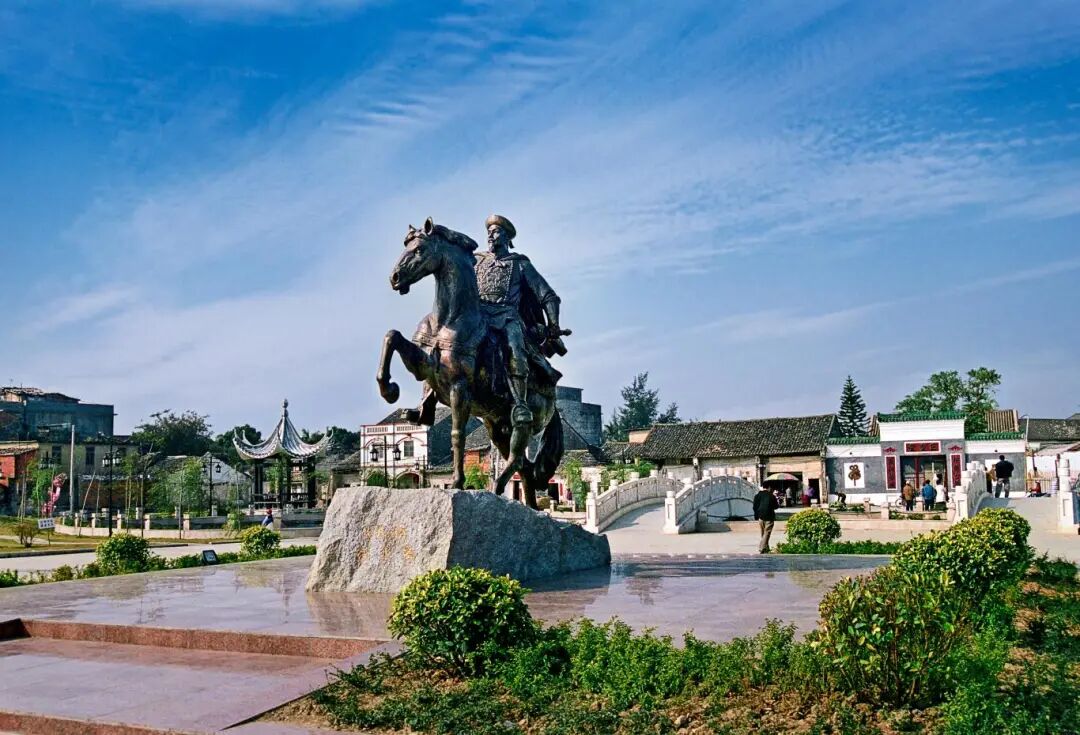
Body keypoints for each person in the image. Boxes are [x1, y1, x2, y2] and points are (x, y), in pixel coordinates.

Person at [474, 214, 564, 426]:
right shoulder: (476, 261)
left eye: (496, 232)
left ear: (507, 238)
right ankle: (429, 400)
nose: (490, 236)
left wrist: (553, 325)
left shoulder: (520, 264)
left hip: (507, 318)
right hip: (478, 318)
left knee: (516, 349)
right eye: (489, 232)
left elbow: (548, 295)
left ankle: (521, 403)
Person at [753, 486, 779, 554]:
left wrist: (756, 515)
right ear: (769, 487)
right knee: (767, 533)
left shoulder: (757, 495)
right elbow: (776, 506)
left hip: (760, 517)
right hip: (769, 516)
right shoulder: (771, 496)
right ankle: (762, 548)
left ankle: (766, 548)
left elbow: (754, 507)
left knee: (763, 533)